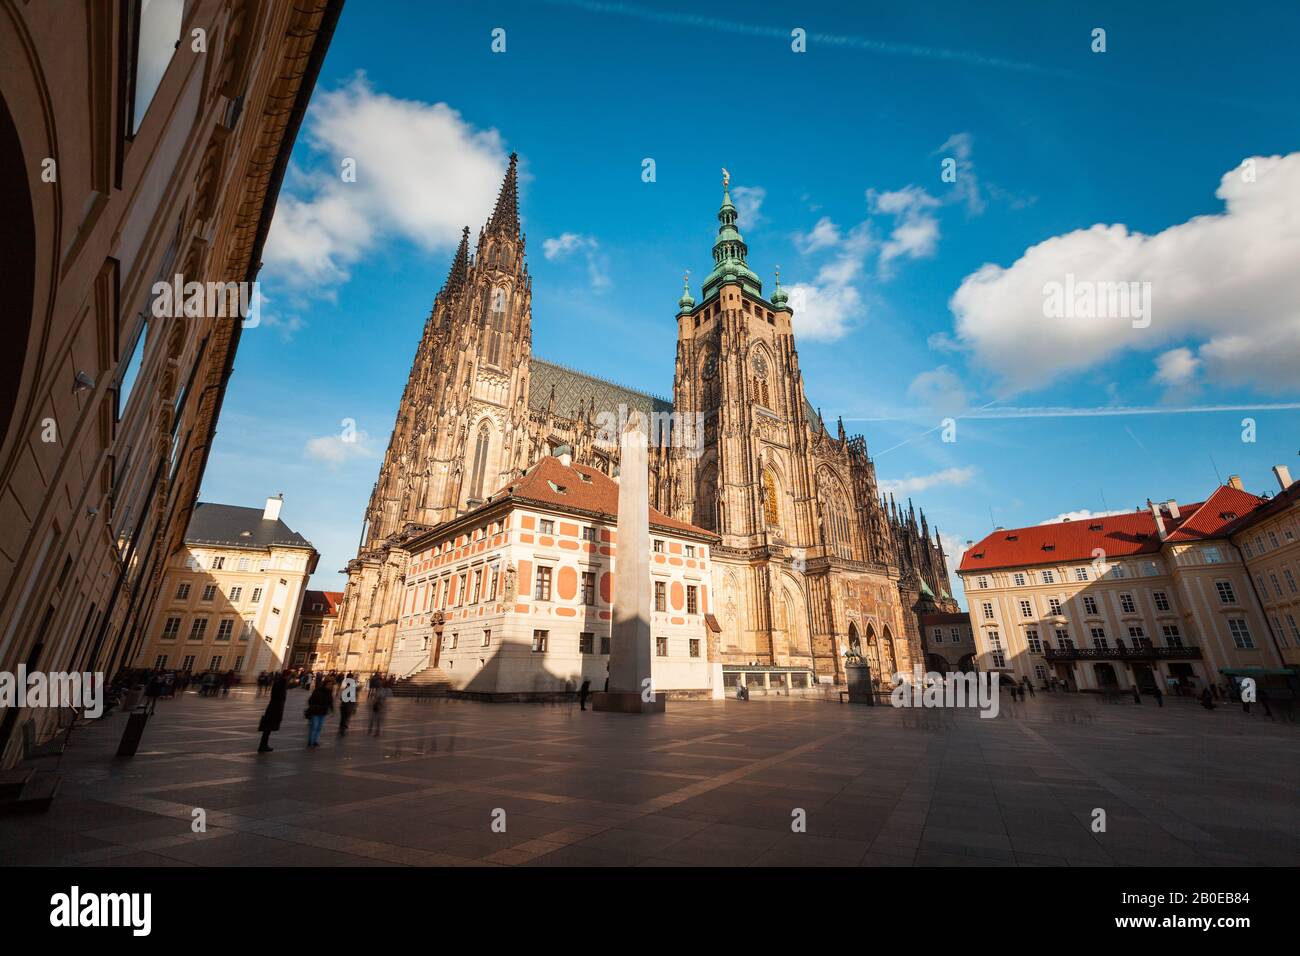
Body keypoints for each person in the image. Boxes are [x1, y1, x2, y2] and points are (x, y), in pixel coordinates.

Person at [258, 673, 288, 752]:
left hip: (272, 709)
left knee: (267, 730)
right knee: (267, 729)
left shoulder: (278, 684)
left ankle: (263, 745)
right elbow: (280, 698)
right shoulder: (281, 686)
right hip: (274, 710)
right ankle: (263, 746)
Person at [305, 679, 333, 747]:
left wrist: (331, 709)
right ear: (325, 684)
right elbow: (310, 700)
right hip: (316, 711)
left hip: (323, 712)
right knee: (314, 727)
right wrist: (314, 706)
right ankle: (310, 741)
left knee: (319, 727)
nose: (330, 686)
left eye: (331, 685)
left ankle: (315, 741)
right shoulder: (317, 690)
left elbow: (330, 701)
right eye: (329, 684)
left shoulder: (329, 692)